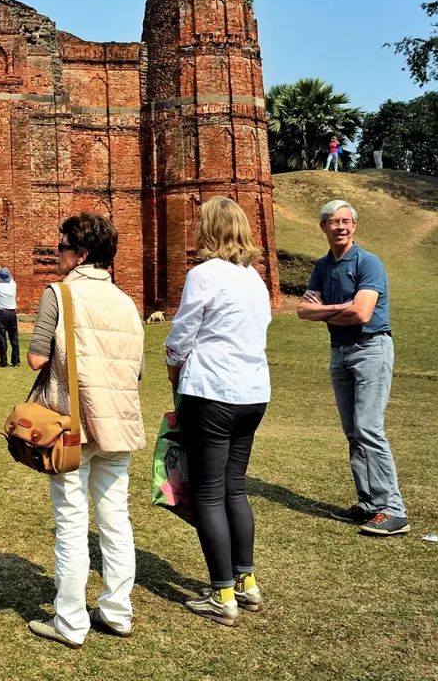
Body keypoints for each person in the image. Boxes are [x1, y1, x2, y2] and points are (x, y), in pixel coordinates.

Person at [26, 213, 145, 649]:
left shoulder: (59, 294)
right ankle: (117, 611)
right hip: (118, 423)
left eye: (61, 247)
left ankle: (71, 622)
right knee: (115, 519)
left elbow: (36, 359)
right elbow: (137, 369)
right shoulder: (127, 302)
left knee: (72, 522)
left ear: (81, 254)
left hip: (71, 426)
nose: (56, 254)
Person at [164, 197, 272, 627]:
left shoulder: (204, 274)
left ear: (207, 229)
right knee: (234, 488)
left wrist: (174, 372)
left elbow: (181, 334)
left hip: (211, 391)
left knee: (208, 492)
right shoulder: (254, 278)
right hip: (252, 392)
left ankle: (222, 594)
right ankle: (245, 583)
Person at [297, 200, 408, 536]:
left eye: (346, 221)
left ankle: (393, 510)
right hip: (340, 351)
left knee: (368, 427)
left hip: (371, 348)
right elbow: (302, 311)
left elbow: (361, 313)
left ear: (354, 226)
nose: (341, 227)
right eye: (334, 221)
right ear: (323, 227)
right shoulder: (322, 266)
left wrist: (324, 311)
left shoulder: (368, 262)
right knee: (353, 431)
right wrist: (339, 307)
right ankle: (369, 503)